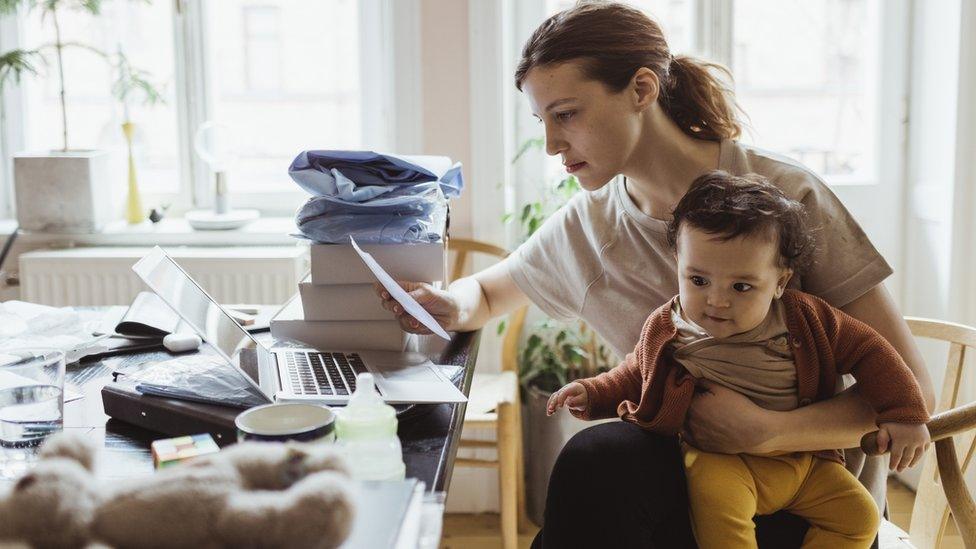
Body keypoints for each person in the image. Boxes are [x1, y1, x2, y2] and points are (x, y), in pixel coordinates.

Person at [375, 3, 936, 547]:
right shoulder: (587, 227)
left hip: (810, 490)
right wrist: (447, 304)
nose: (550, 144)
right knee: (597, 464)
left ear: (642, 90)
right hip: (686, 473)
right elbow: (487, 293)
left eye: (566, 114)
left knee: (601, 484)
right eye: (542, 121)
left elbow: (914, 389)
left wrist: (768, 431)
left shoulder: (782, 198)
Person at [547, 171, 931, 548]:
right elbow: (635, 372)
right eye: (698, 280)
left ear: (780, 282)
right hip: (723, 462)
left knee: (859, 517)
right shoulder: (670, 326)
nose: (716, 300)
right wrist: (592, 392)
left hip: (805, 464)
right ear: (678, 264)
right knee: (721, 522)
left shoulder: (806, 318)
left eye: (742, 286)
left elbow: (872, 352)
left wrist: (904, 413)